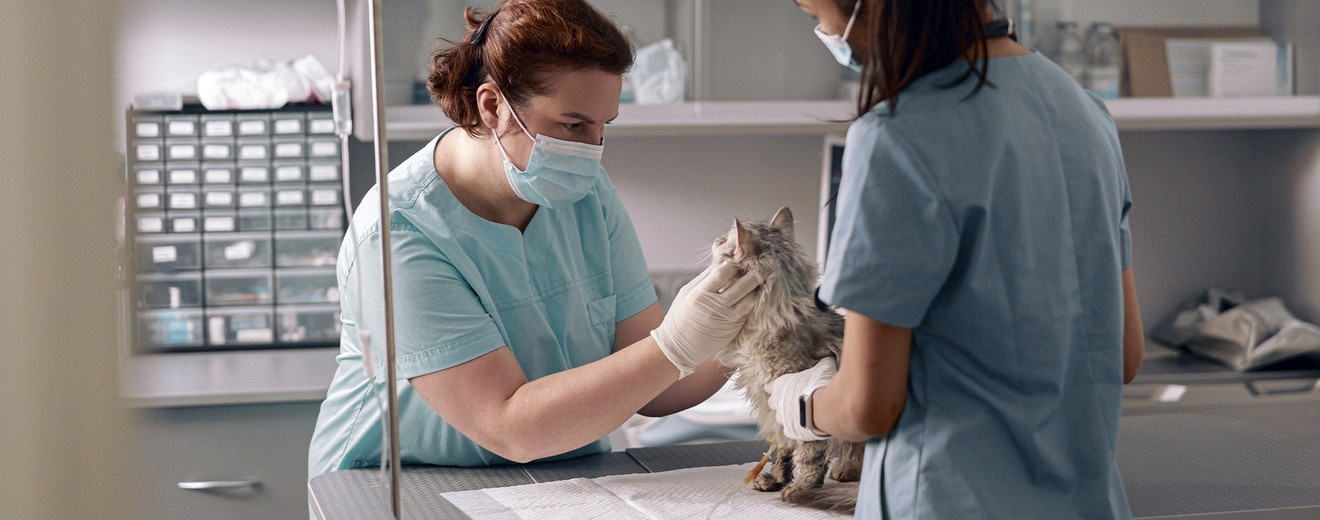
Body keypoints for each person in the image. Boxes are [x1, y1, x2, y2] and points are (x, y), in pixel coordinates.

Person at [308, 0, 759, 479]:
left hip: (549, 478)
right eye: (573, 124)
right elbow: (509, 425)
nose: (592, 150)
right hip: (403, 480)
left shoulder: (587, 196)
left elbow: (657, 388)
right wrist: (675, 343)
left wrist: (748, 327)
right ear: (492, 105)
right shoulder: (399, 233)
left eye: (604, 126)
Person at [766, 0, 1146, 518]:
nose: (824, 32)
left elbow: (868, 406)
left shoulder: (897, 135)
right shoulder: (1084, 111)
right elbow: (1124, 352)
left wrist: (802, 404)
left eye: (817, 13)